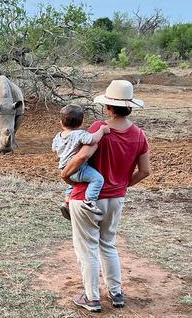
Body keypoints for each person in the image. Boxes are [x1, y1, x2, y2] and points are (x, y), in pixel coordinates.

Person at [61, 80, 151, 312]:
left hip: (86, 198)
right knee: (108, 245)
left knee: (87, 248)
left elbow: (82, 157)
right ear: (129, 106)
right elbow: (145, 171)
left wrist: (65, 175)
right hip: (115, 198)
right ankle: (116, 294)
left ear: (108, 107)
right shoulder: (139, 135)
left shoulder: (100, 128)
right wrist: (123, 185)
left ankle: (91, 298)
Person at [52, 105, 110, 218]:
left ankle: (67, 201)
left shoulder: (58, 136)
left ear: (61, 123)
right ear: (81, 122)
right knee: (98, 179)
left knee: (75, 183)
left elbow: (54, 148)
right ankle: (90, 201)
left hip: (64, 167)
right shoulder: (80, 134)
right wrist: (102, 131)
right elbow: (93, 139)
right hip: (77, 168)